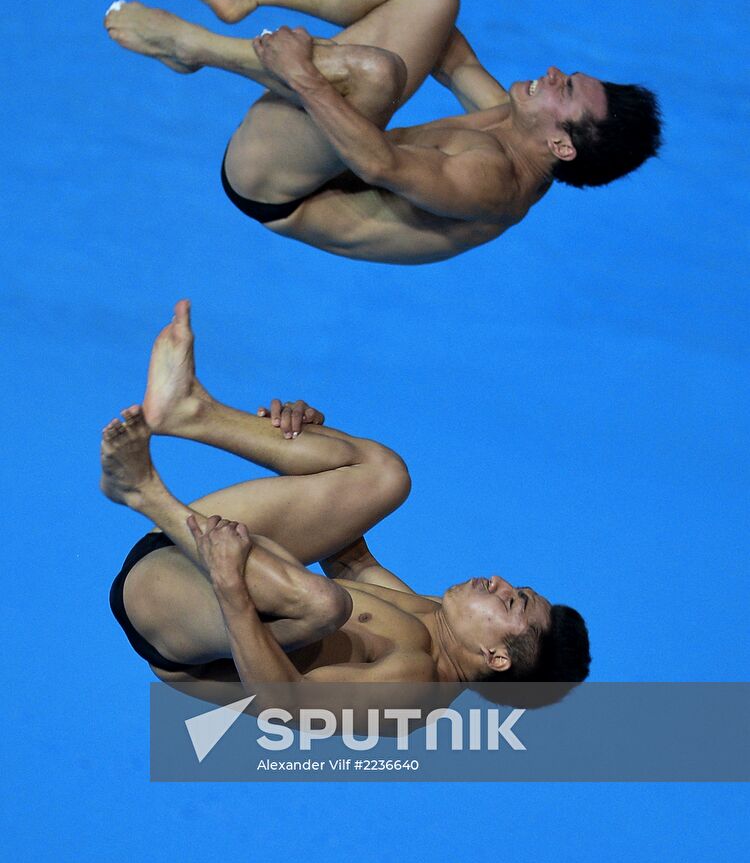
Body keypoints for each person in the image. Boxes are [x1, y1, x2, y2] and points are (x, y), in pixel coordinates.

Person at [104, 300, 590, 706]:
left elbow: (285, 706)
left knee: (324, 605)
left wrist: (230, 584)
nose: (499, 581)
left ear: (497, 657)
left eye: (512, 601)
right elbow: (347, 555)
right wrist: (312, 441)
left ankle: (141, 490)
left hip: (165, 611)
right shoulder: (428, 614)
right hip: (194, 553)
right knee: (386, 477)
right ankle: (190, 411)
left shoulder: (416, 689)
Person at [104, 0, 662, 265]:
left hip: (277, 187)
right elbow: (454, 60)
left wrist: (303, 76)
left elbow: (378, 164)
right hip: (329, 150)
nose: (554, 74)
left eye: (567, 91)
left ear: (561, 145)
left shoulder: (494, 185)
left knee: (375, 74)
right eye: (570, 76)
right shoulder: (515, 125)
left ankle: (191, 47)